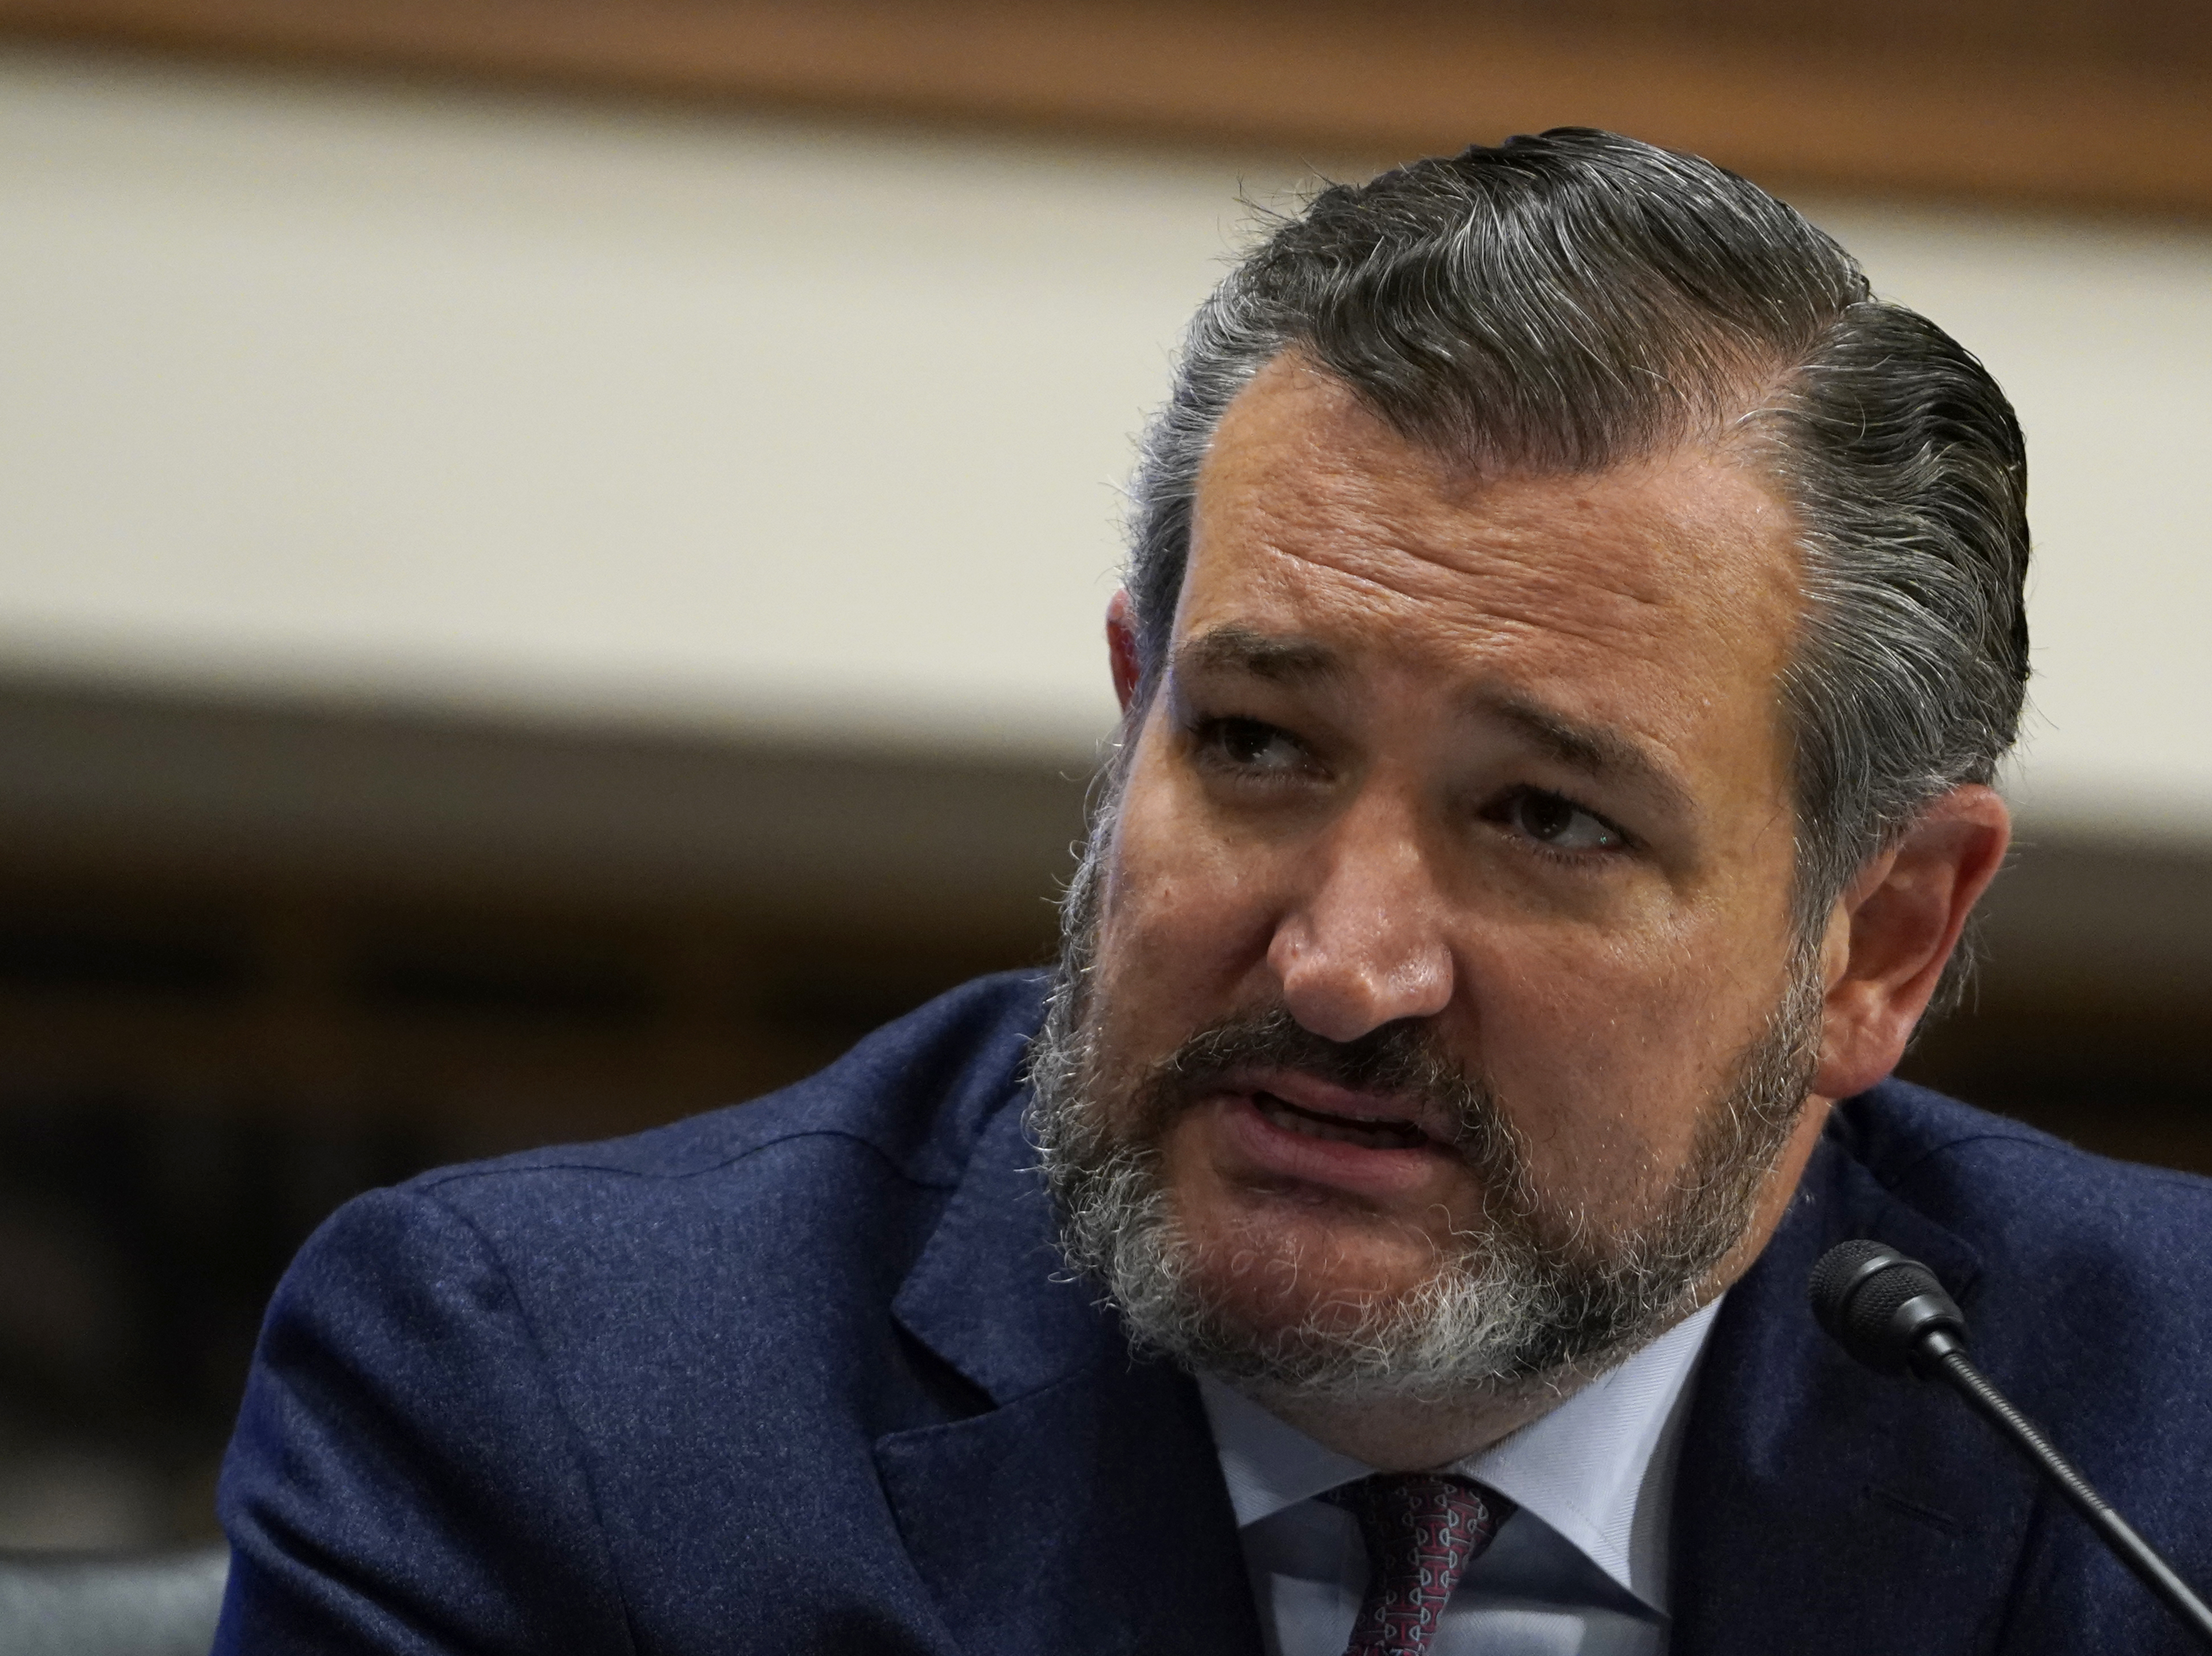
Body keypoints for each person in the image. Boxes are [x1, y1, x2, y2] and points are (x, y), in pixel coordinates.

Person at [211, 130, 2212, 1655]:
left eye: (1547, 819)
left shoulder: (2162, 1456)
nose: (1341, 970)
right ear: (1126, 723)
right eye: (1252, 746)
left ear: (1878, 942)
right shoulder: (562, 1409)